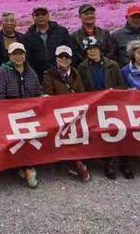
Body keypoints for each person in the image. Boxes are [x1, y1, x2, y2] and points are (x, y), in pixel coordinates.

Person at [77, 36, 132, 180]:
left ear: (100, 49)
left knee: (117, 131)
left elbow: (122, 85)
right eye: (89, 49)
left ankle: (124, 162)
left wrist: (113, 91)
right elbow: (82, 89)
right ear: (85, 52)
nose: (92, 51)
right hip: (94, 106)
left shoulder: (112, 65)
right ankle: (109, 161)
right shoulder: (82, 67)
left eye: (95, 48)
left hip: (111, 104)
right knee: (102, 133)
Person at [0, 42, 42, 188]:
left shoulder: (30, 71)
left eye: (21, 53)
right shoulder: (3, 71)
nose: (18, 56)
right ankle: (23, 167)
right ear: (9, 56)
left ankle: (27, 167)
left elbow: (37, 91)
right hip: (11, 115)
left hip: (28, 114)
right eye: (15, 53)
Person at [41, 45, 90, 182]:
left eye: (66, 57)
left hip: (75, 111)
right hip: (58, 112)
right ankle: (75, 161)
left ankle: (77, 159)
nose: (64, 59)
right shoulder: (48, 74)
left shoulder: (75, 72)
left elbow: (81, 91)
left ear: (71, 59)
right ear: (56, 58)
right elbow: (49, 94)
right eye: (61, 56)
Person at [121, 40, 140, 175]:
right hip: (130, 107)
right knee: (130, 132)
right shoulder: (125, 70)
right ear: (133, 54)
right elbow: (121, 88)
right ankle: (128, 162)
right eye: (139, 53)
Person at [23, 6, 74, 81]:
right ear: (33, 17)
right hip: (38, 75)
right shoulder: (28, 36)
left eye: (43, 14)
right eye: (37, 14)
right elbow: (27, 58)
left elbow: (70, 51)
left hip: (61, 73)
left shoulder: (61, 31)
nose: (40, 16)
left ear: (48, 15)